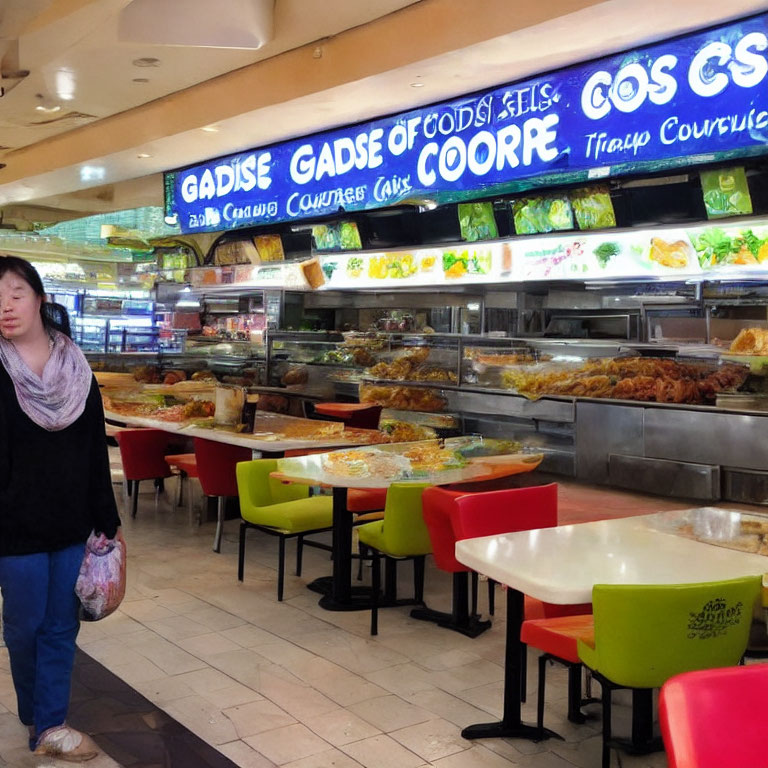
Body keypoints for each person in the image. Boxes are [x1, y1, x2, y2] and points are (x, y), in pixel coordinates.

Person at [0, 255, 121, 761]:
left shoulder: (76, 367)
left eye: (15, 294)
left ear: (39, 299)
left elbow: (95, 447)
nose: (5, 307)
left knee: (60, 626)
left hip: (72, 523)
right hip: (12, 526)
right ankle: (36, 711)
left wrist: (107, 518)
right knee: (24, 627)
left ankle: (50, 723)